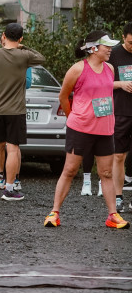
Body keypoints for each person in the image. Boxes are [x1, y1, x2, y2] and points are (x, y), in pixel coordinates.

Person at [43, 30, 129, 229]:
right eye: (106, 46)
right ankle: (54, 213)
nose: (110, 49)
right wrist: (73, 115)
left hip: (105, 128)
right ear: (93, 48)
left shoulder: (109, 68)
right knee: (70, 170)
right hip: (80, 127)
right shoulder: (77, 69)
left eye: (110, 45)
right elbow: (63, 97)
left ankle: (112, 216)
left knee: (106, 173)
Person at [0, 23, 45, 201]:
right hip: (16, 111)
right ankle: (10, 189)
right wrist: (23, 46)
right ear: (20, 38)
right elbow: (41, 58)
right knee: (12, 149)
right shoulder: (24, 56)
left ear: (3, 35)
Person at [108, 23, 132, 212]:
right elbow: (102, 81)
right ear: (123, 37)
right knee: (118, 155)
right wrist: (120, 84)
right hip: (121, 110)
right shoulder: (113, 54)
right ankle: (118, 197)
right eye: (131, 42)